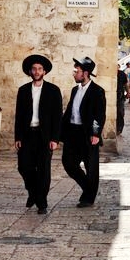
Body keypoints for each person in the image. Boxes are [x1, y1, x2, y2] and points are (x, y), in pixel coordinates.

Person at [14, 54, 63, 215]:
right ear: (30, 71)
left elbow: (57, 117)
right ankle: (33, 193)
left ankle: (41, 202)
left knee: (43, 170)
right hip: (27, 135)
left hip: (45, 137)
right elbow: (19, 116)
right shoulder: (23, 91)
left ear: (44, 71)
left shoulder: (53, 91)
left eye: (40, 69)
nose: (37, 71)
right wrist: (18, 137)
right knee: (24, 167)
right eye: (34, 69)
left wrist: (55, 138)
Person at [61, 56, 106, 208]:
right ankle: (89, 188)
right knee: (68, 163)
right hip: (73, 132)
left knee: (90, 166)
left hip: (87, 134)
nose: (74, 74)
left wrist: (95, 134)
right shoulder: (75, 90)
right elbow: (69, 112)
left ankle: (88, 198)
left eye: (76, 71)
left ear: (85, 73)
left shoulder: (97, 91)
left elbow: (99, 115)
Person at [116, 64, 128, 135]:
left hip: (120, 95)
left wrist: (128, 92)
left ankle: (119, 128)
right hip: (113, 95)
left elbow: (125, 84)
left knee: (120, 112)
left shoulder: (122, 74)